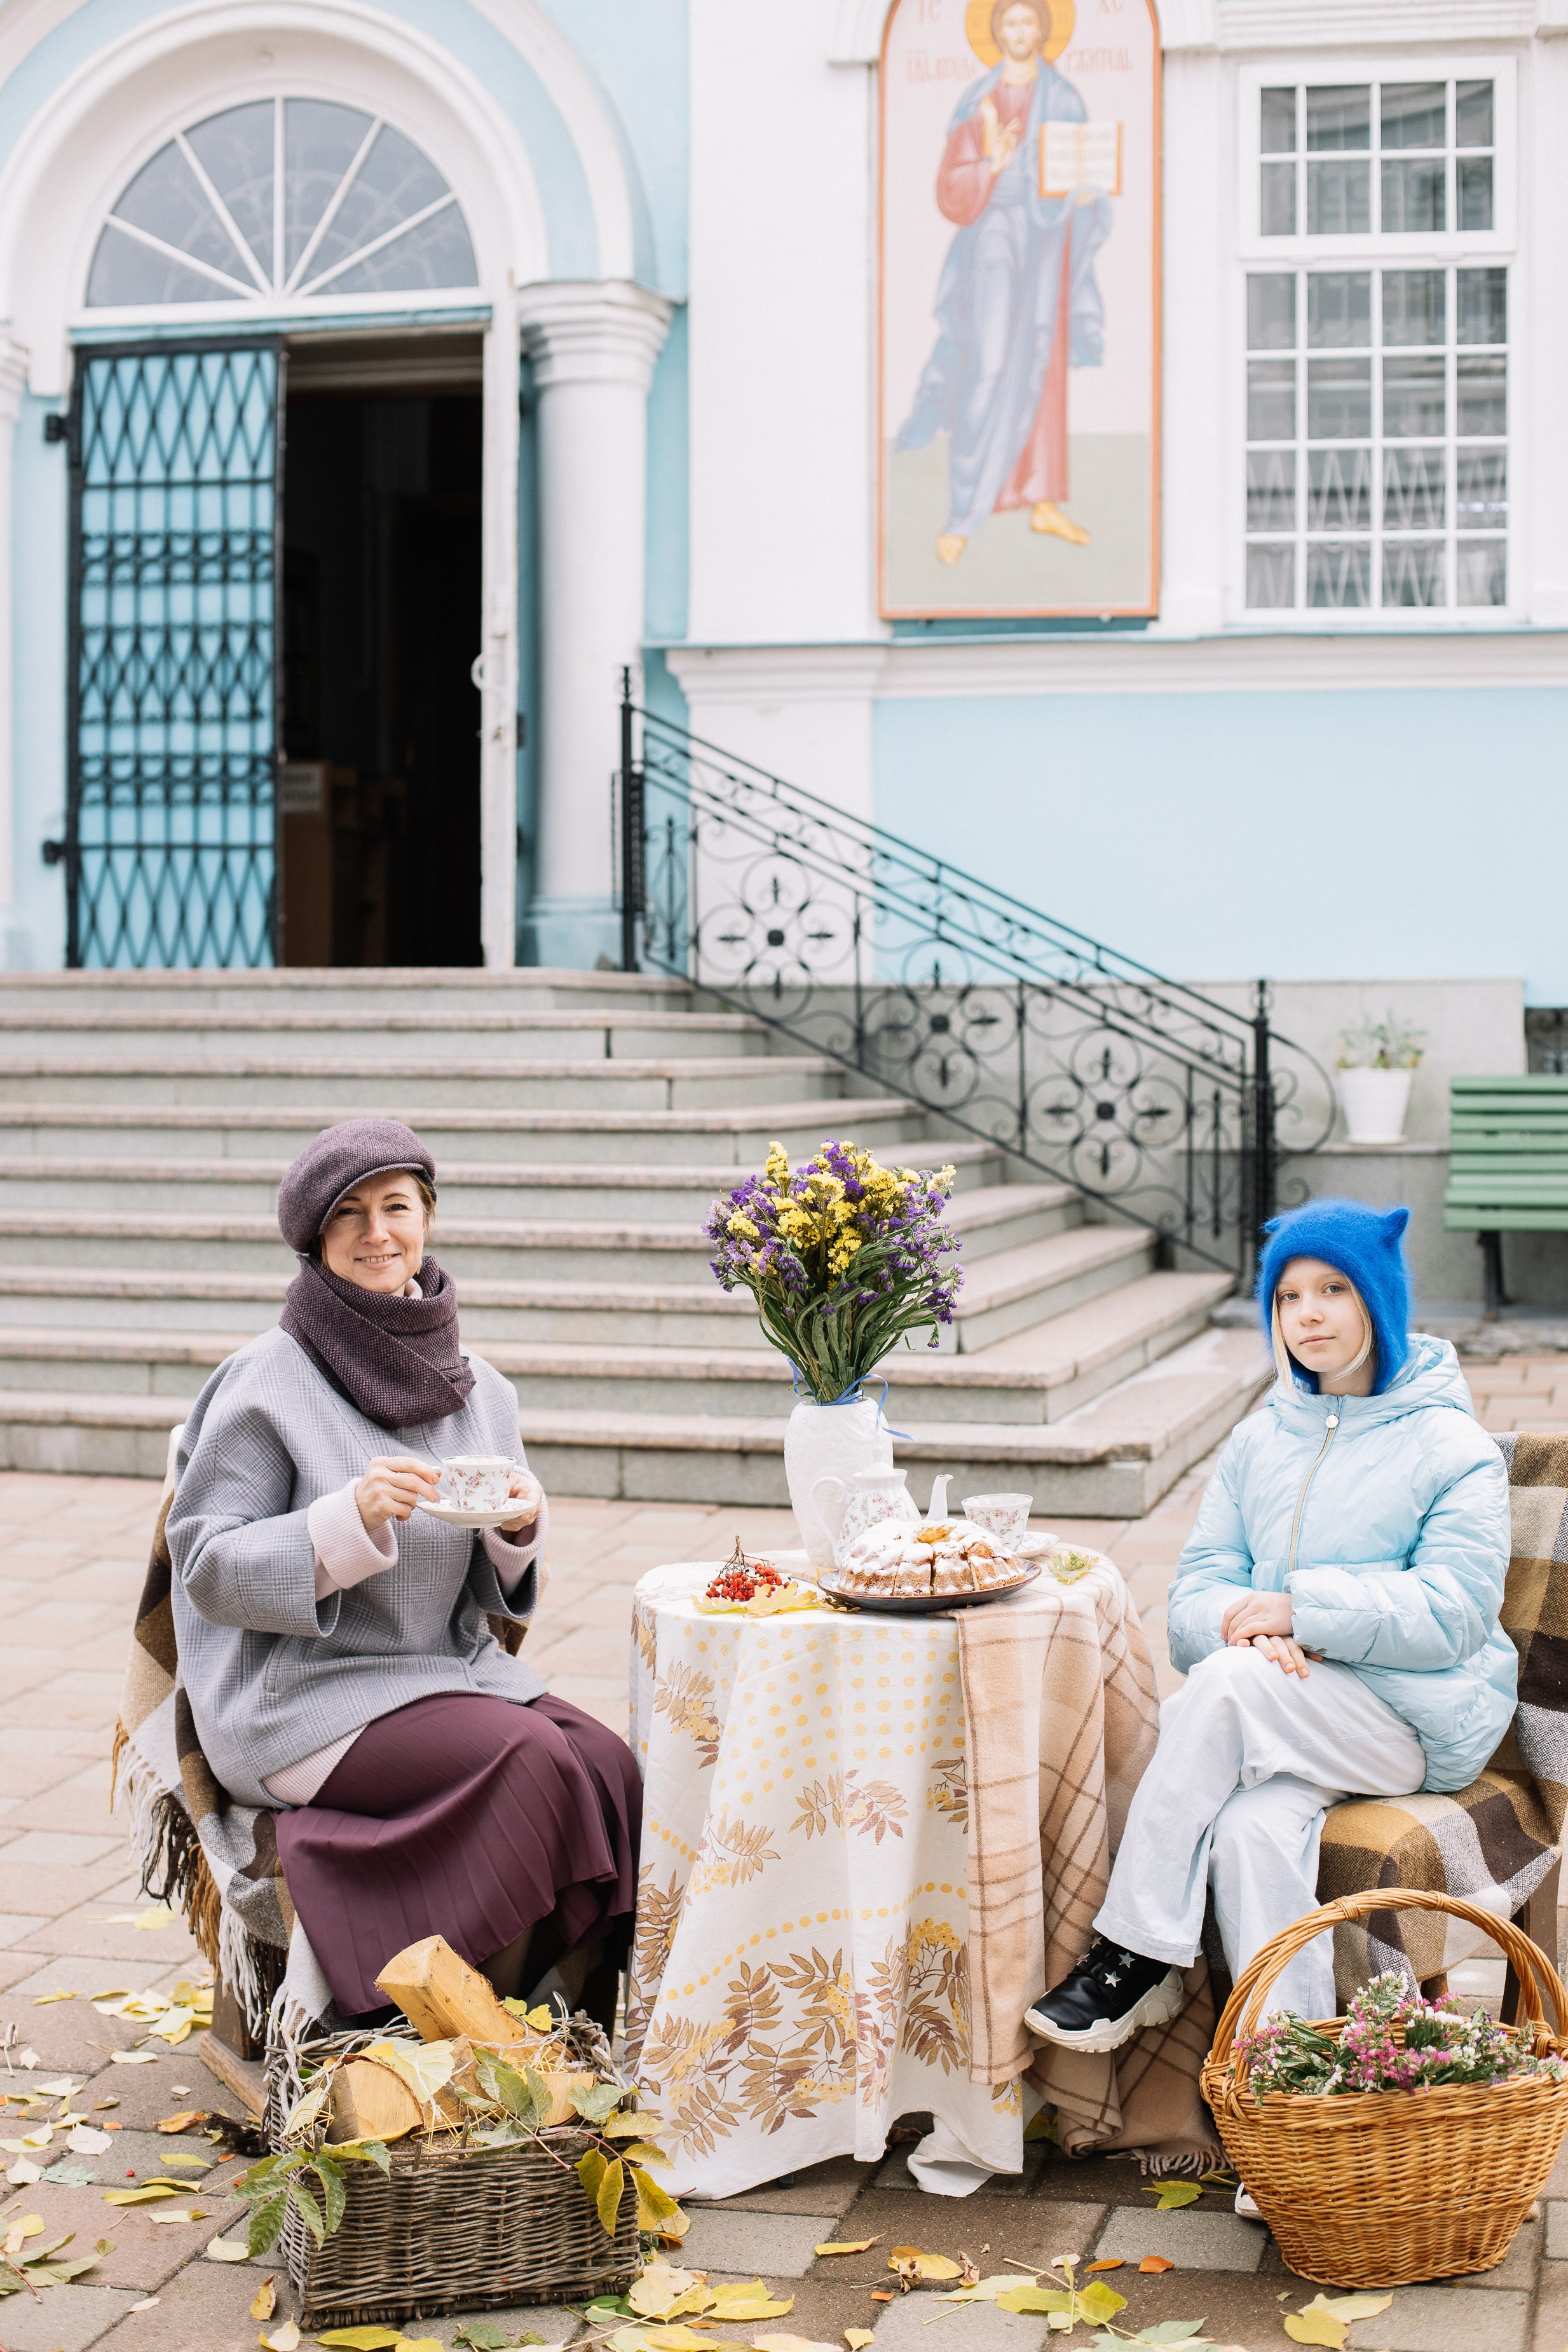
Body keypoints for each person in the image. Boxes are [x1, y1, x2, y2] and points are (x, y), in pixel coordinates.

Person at [165, 1118, 640, 2027]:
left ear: (426, 1219)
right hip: (296, 1697)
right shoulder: (265, 1380)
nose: (377, 1234)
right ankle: (415, 2027)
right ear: (313, 1240)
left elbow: (492, 1584)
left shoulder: (480, 1386)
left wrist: (517, 1526)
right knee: (534, 1763)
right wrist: (344, 1520)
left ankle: (536, 2014)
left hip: (439, 1674)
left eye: (396, 1207)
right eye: (348, 1215)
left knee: (609, 1767)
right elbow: (209, 1566)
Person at [1025, 1197, 1515, 2058]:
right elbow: (1192, 1598)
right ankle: (1281, 2081)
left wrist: (1301, 1611)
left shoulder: (1448, 1445)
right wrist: (1245, 1628)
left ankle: (1133, 1952)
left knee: (1215, 1691)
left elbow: (1455, 1612)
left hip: (1410, 1722)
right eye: (1286, 1297)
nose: (1308, 1314)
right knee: (1250, 1831)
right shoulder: (1258, 1440)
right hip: (1281, 1704)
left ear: (1379, 1301)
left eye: (1332, 1289)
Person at [896, 0, 1112, 563]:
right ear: (997, 33)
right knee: (988, 362)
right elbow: (952, 186)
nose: (1021, 32)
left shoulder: (1063, 98)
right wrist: (991, 163)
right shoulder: (977, 102)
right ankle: (963, 512)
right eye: (1010, 23)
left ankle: (1041, 498)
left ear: (1043, 29)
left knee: (1041, 355)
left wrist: (1085, 194)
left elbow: (1080, 167)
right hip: (994, 234)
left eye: (1029, 22)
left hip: (1047, 237)